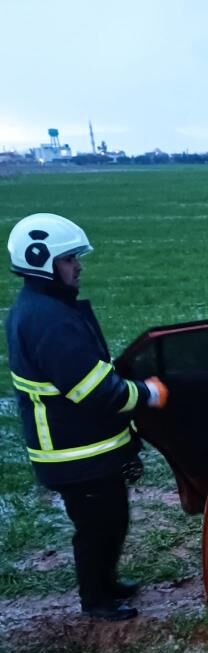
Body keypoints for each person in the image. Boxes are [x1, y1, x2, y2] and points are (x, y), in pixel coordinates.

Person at [5, 213, 169, 621]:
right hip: (75, 454)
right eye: (69, 259)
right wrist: (149, 393)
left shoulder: (45, 308)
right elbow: (95, 392)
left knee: (110, 521)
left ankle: (106, 584)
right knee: (98, 528)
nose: (78, 266)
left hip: (84, 448)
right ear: (42, 262)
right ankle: (96, 600)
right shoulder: (48, 319)